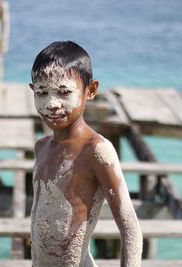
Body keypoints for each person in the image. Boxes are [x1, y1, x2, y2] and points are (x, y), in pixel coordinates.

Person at [29, 41, 143, 267]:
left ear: (90, 91)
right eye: (42, 92)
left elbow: (130, 228)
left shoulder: (95, 150)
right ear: (32, 91)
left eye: (64, 92)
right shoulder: (41, 146)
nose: (52, 103)